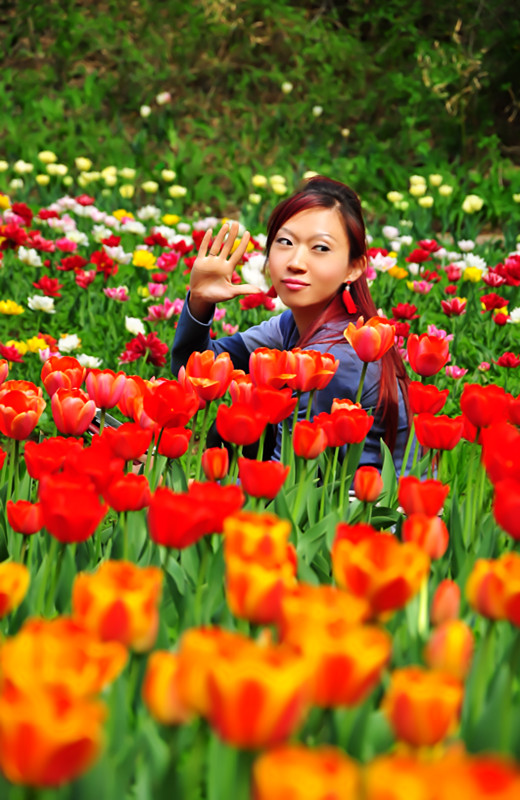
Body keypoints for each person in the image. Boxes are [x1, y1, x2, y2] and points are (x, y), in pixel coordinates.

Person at [171, 176, 411, 470]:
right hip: (316, 487)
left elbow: (287, 480)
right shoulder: (291, 325)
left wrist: (172, 483)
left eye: (320, 248)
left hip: (365, 496)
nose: (295, 262)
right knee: (234, 428)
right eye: (285, 242)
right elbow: (194, 371)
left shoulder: (340, 357)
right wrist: (199, 301)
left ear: (354, 267)